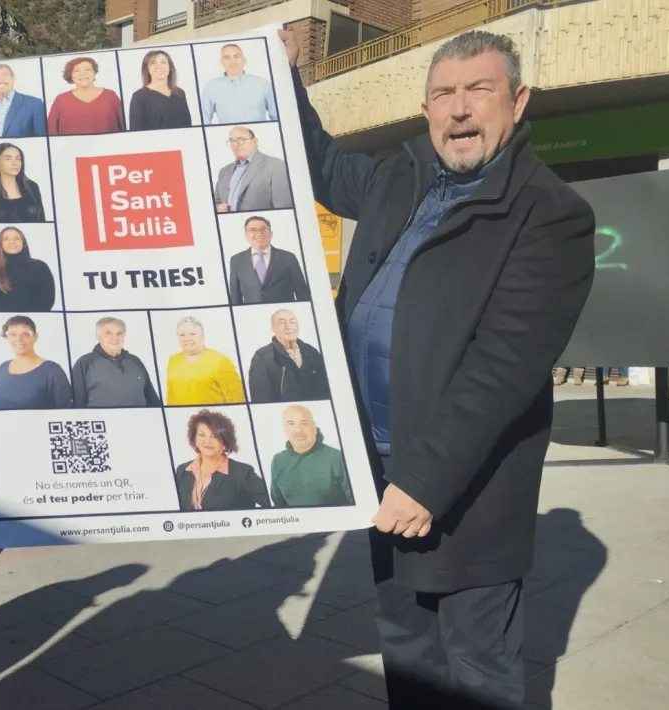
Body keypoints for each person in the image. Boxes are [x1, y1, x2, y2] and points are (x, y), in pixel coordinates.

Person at [280, 27, 595, 709]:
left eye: (478, 90)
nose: (458, 109)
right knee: (408, 649)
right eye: (443, 94)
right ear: (425, 109)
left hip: (463, 490)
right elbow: (323, 169)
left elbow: (503, 368)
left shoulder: (550, 215)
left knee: (476, 665)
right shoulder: (401, 174)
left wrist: (422, 484)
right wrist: (284, 85)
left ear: (518, 100)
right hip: (381, 472)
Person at [174, 409, 271, 511]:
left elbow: (274, 505)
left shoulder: (243, 472)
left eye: (214, 436)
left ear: (225, 442)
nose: (207, 441)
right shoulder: (182, 470)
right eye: (202, 435)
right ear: (194, 439)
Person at [270, 404, 354, 507]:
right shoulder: (278, 460)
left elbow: (356, 502)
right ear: (284, 428)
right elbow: (279, 505)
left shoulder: (336, 457)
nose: (298, 430)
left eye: (304, 423)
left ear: (314, 427)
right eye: (291, 424)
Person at [71, 317, 161, 408]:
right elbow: (77, 403)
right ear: (98, 336)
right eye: (108, 333)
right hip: (104, 421)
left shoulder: (135, 361)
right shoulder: (85, 363)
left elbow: (152, 398)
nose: (115, 338)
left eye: (119, 333)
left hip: (139, 421)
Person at [248, 308, 330, 403]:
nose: (288, 326)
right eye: (282, 323)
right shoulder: (262, 358)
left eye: (292, 321)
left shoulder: (311, 352)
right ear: (273, 328)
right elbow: (262, 401)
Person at [0, 315, 72, 410]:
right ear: (7, 337)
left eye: (25, 334)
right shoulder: (3, 368)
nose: (18, 339)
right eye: (13, 334)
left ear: (35, 337)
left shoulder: (52, 370)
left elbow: (66, 412)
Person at [228, 215, 310, 304]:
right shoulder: (236, 260)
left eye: (264, 229)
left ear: (271, 234)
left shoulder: (288, 258)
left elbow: (302, 293)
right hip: (252, 314)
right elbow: (235, 298)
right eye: (253, 230)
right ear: (246, 235)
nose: (259, 234)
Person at [165, 315, 245, 406]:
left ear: (202, 336)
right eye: (182, 335)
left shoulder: (220, 361)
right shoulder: (173, 361)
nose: (187, 338)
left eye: (192, 334)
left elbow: (238, 400)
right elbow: (170, 398)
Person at [0, 226, 55, 312]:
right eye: (6, 239)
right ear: (0, 244)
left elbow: (47, 300)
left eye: (16, 238)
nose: (12, 242)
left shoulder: (40, 267)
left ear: (23, 243)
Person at [215, 126, 292, 213]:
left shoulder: (275, 165)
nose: (236, 144)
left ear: (255, 141)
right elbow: (216, 201)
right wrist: (218, 208)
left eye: (241, 140)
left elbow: (284, 207)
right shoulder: (224, 171)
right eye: (232, 141)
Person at [201, 43, 278, 124]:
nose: (232, 61)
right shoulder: (211, 88)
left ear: (244, 60)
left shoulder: (263, 84)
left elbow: (276, 116)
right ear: (221, 62)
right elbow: (204, 119)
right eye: (227, 58)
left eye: (236, 56)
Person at [46, 56, 124, 136]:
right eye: (77, 71)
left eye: (88, 70)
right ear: (71, 76)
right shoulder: (61, 100)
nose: (83, 74)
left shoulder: (110, 96)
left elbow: (123, 127)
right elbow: (51, 132)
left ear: (94, 73)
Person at [0, 142, 46, 223]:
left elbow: (42, 221)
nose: (15, 163)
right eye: (8, 159)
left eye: (18, 158)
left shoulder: (32, 187)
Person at [128, 49, 192, 132]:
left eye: (163, 62)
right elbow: (136, 132)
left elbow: (188, 125)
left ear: (170, 67)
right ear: (147, 69)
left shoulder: (180, 93)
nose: (159, 66)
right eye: (153, 63)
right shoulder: (139, 97)